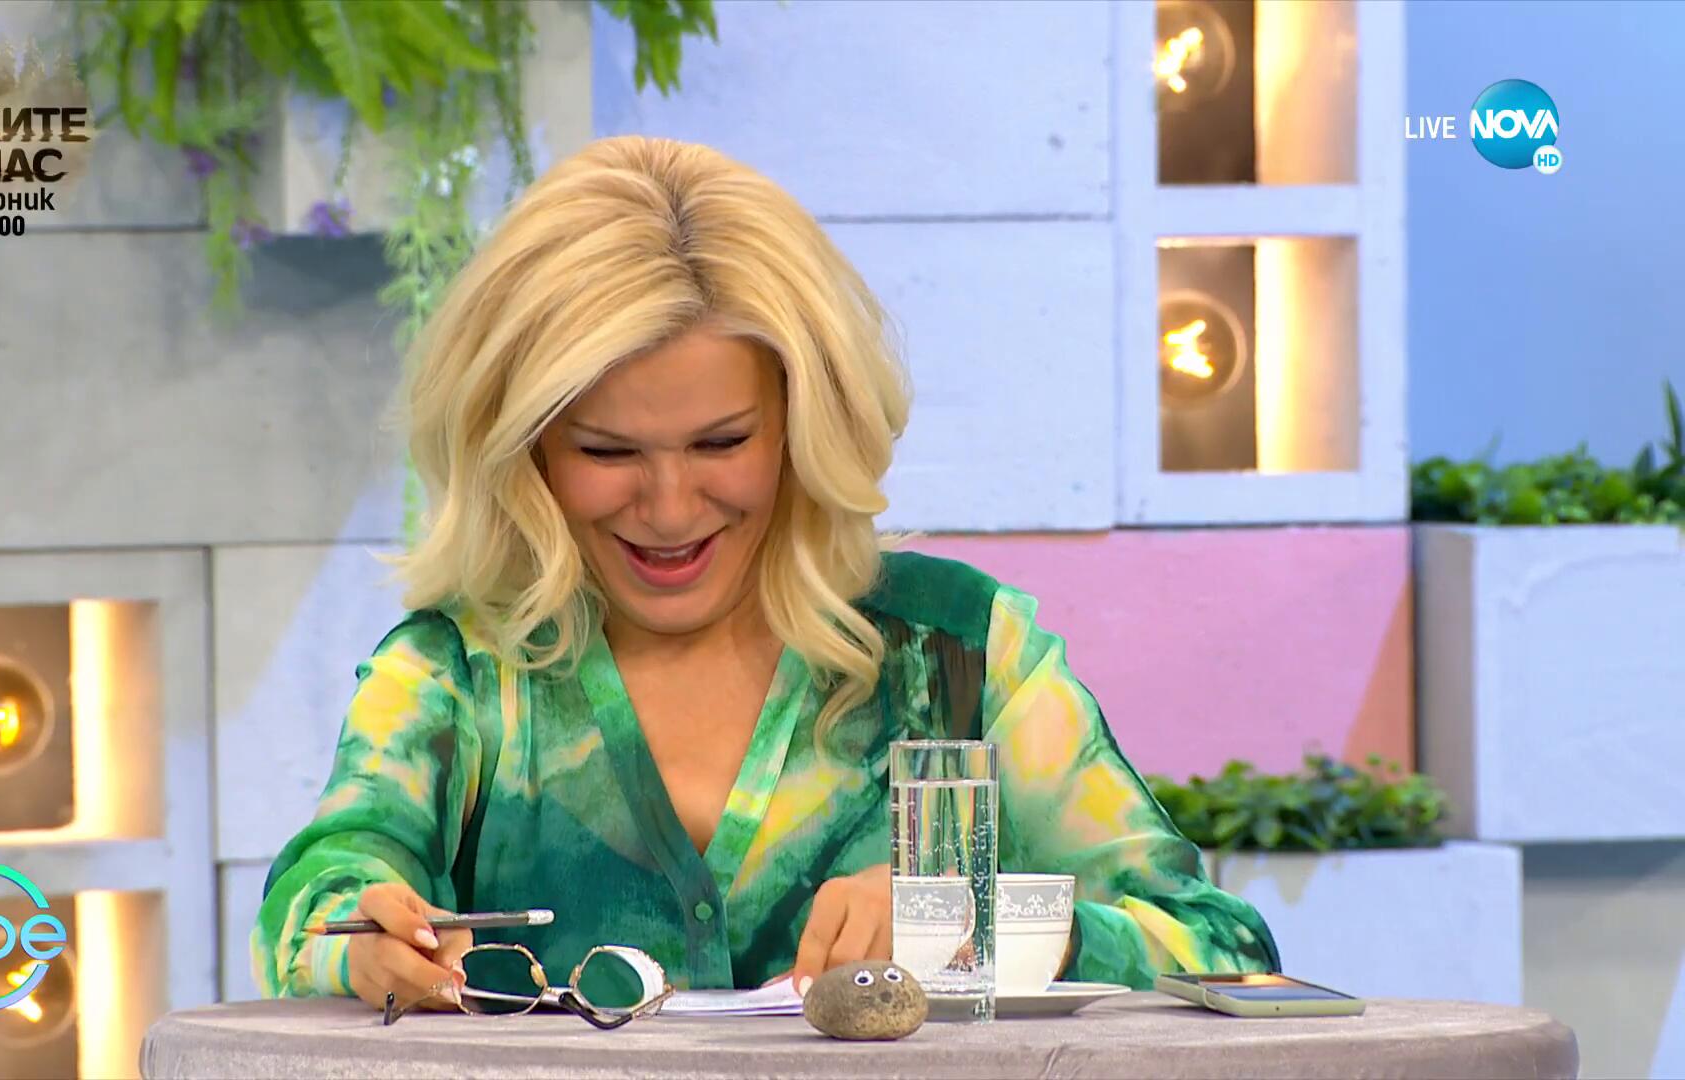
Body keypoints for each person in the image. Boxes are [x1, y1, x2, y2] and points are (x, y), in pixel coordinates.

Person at [251, 135, 1280, 1014]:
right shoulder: (454, 675)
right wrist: (360, 943)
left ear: (804, 424)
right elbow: (320, 903)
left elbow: (1221, 950)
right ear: (525, 452)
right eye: (607, 452)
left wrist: (967, 920)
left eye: (721, 443)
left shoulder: (960, 654)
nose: (668, 508)